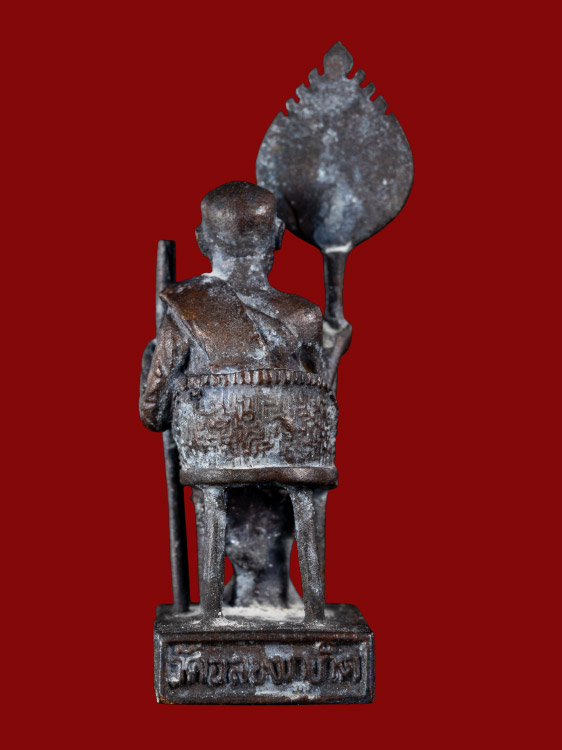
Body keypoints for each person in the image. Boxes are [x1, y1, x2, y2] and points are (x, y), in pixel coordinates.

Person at [140, 181, 339, 622]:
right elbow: (318, 396)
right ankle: (303, 607)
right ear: (279, 235)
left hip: (211, 449)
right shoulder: (305, 316)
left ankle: (216, 610)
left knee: (226, 490)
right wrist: (335, 350)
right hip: (295, 452)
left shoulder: (186, 307)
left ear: (202, 240)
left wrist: (151, 362)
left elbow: (152, 414)